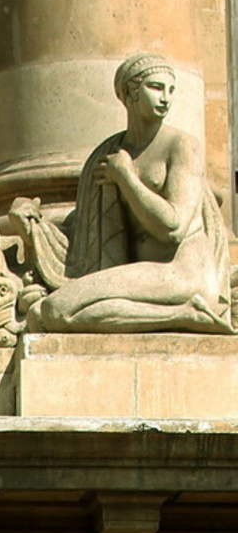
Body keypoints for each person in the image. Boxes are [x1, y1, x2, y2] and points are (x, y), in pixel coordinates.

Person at [22, 53, 232, 335]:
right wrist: (36, 227)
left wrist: (126, 176)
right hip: (145, 276)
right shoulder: (110, 152)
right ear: (130, 93)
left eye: (171, 90)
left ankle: (191, 310)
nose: (166, 98)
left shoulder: (182, 146)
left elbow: (173, 228)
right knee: (50, 313)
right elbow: (89, 227)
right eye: (156, 87)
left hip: (184, 273)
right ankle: (185, 315)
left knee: (55, 309)